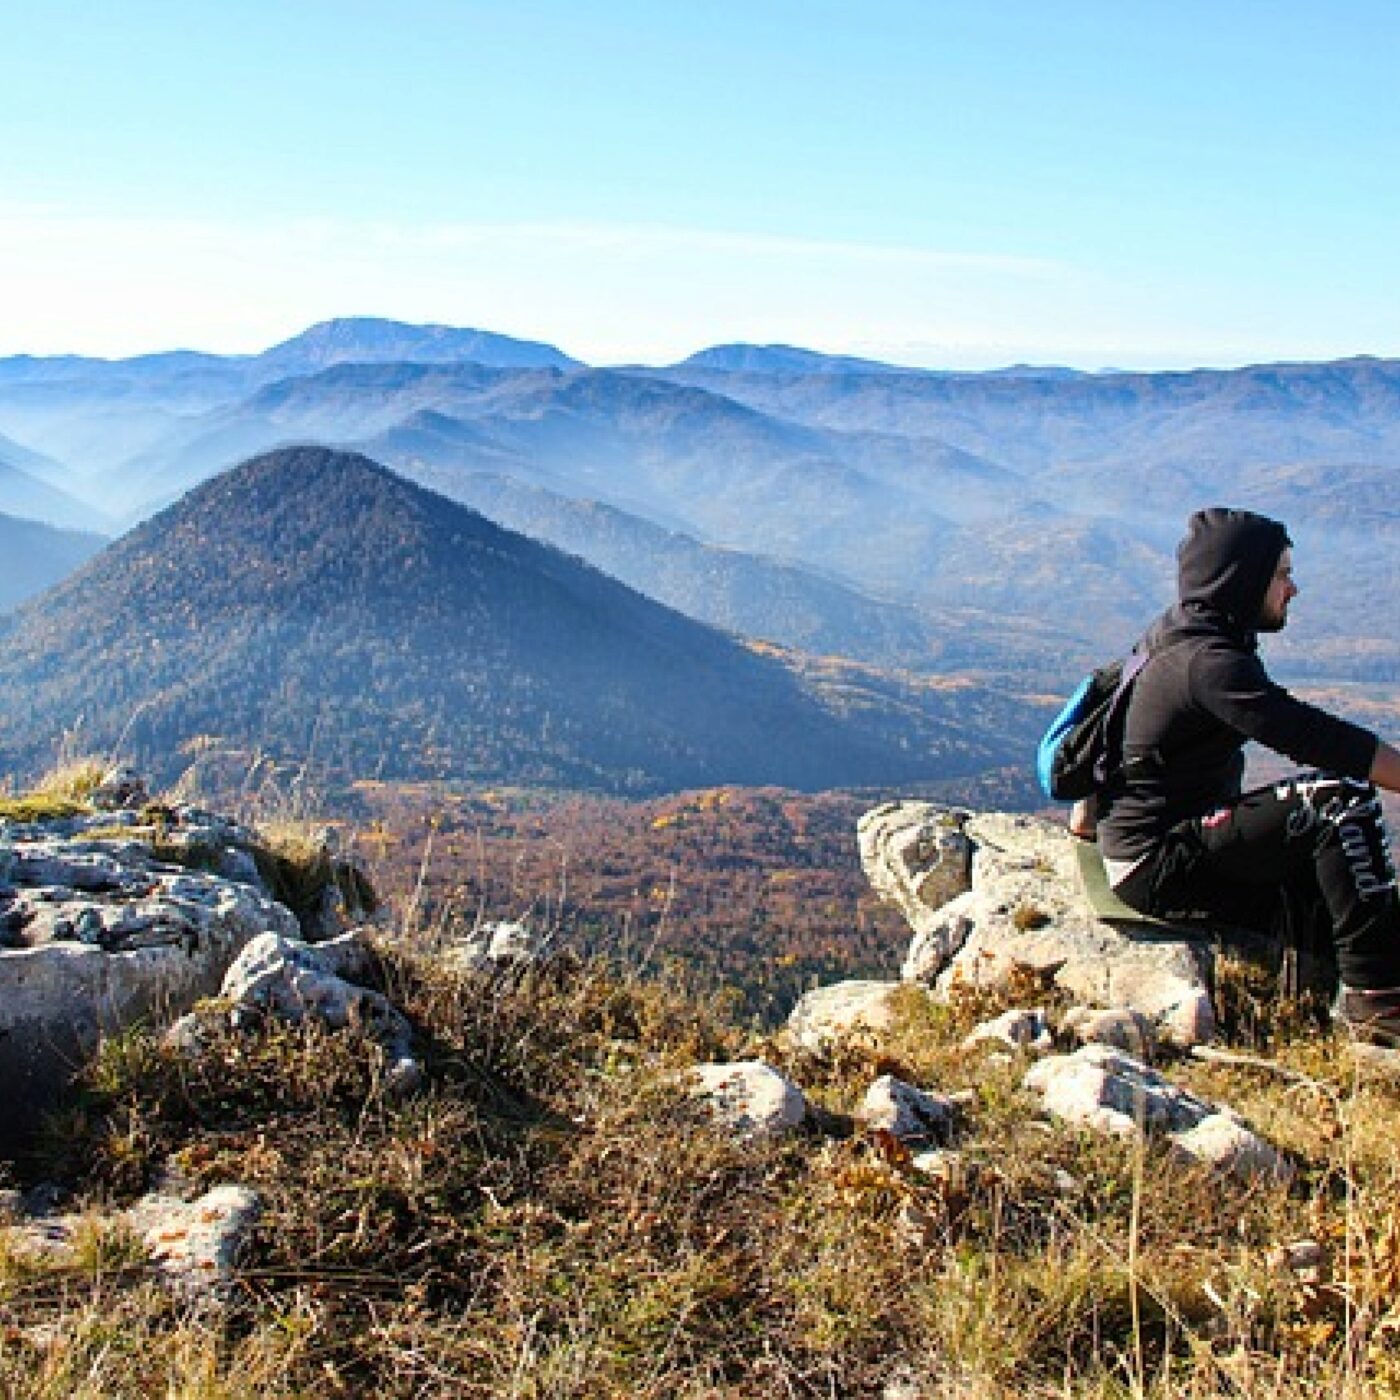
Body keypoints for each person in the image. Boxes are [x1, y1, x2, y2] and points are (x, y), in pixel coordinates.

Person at [1090, 506, 1400, 1045]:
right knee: (1338, 800)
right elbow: (1315, 737)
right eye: (1282, 574)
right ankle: (1378, 1008)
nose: (1293, 589)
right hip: (1158, 860)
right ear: (1244, 579)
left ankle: (1323, 997)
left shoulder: (1180, 630)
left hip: (1157, 846)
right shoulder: (1209, 662)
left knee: (1333, 872)